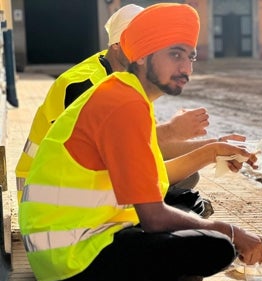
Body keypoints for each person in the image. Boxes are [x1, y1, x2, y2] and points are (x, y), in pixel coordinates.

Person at [19, 3, 262, 281]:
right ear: (141, 57)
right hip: (71, 256)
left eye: (191, 57)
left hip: (89, 232)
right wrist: (232, 231)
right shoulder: (122, 102)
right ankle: (173, 275)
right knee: (217, 247)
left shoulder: (128, 95)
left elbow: (153, 182)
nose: (185, 68)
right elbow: (153, 216)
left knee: (190, 206)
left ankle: (174, 272)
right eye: (175, 54)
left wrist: (213, 149)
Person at [15, 4, 223, 218]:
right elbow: (119, 152)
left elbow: (148, 143)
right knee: (182, 210)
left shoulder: (131, 81)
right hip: (53, 199)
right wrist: (201, 147)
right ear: (117, 43)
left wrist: (214, 146)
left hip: (81, 186)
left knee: (188, 178)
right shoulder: (84, 84)